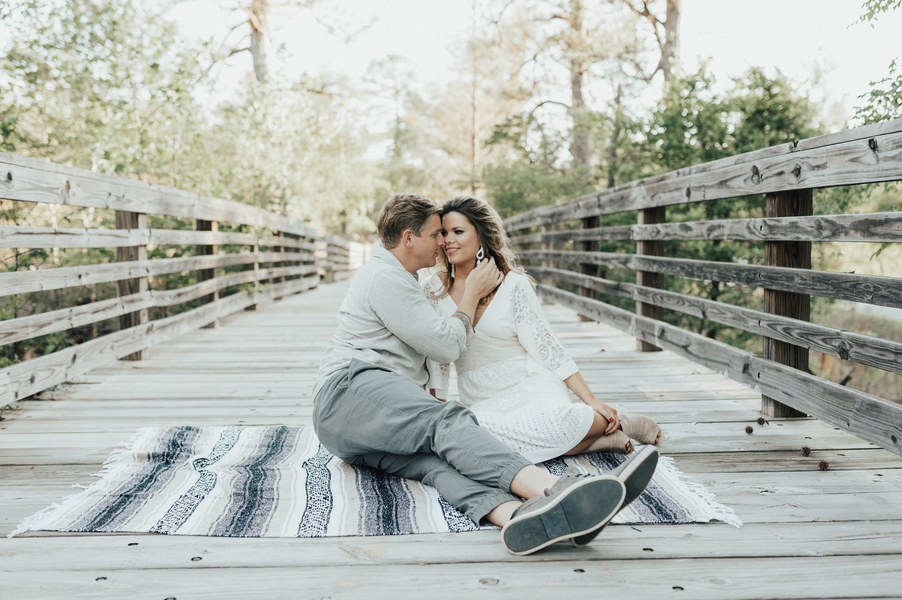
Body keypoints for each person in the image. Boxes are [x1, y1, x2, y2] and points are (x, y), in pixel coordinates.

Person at [312, 193, 658, 555]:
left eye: (449, 233)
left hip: (354, 430)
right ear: (409, 238)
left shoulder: (409, 281)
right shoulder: (385, 277)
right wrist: (471, 295)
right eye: (435, 234)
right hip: (349, 392)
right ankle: (556, 490)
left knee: (437, 464)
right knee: (446, 422)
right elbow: (445, 349)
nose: (441, 243)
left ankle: (521, 516)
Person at [422, 196, 663, 463]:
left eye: (458, 231)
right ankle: (595, 441)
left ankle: (619, 422)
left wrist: (591, 400)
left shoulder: (513, 285)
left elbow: (548, 348)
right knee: (477, 440)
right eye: (444, 232)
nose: (448, 240)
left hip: (530, 384)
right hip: (481, 400)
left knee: (553, 423)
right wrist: (438, 405)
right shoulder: (433, 289)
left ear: (481, 236)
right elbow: (436, 356)